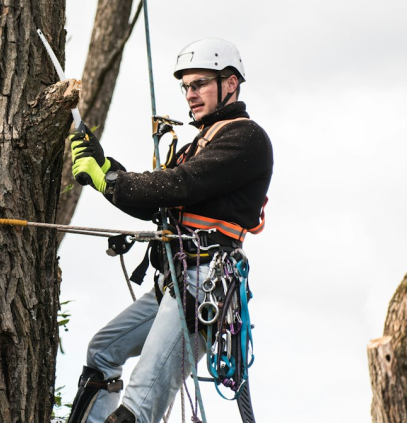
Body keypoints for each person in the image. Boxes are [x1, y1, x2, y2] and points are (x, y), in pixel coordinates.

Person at [64, 38, 273, 423]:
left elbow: (178, 186)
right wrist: (104, 168)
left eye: (199, 85)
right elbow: (155, 204)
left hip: (203, 286)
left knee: (139, 407)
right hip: (175, 282)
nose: (190, 95)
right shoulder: (199, 144)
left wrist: (108, 178)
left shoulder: (245, 138)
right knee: (102, 352)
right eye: (186, 87)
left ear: (230, 84)